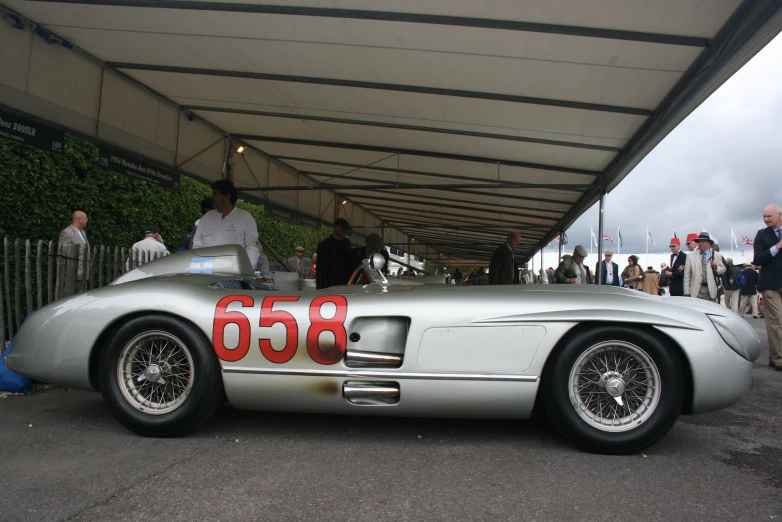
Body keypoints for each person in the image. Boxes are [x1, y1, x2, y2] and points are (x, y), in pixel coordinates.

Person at [193, 180, 261, 267]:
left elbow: (253, 247)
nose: (212, 197)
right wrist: (199, 268)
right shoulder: (206, 218)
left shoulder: (245, 218)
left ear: (227, 195)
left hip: (233, 273)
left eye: (216, 194)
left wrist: (246, 270)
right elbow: (197, 245)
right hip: (207, 272)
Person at [753, 204, 782, 370]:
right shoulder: (762, 235)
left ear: (780, 215)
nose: (766, 220)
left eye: (769, 216)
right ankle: (778, 358)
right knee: (776, 321)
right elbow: (758, 259)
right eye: (764, 217)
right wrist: (776, 247)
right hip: (771, 284)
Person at [316, 218, 359, 289]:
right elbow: (321, 269)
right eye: (344, 229)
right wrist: (321, 289)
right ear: (337, 228)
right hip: (330, 285)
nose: (346, 232)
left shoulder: (346, 243)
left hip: (346, 284)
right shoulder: (324, 245)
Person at [683, 232, 725, 302]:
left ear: (709, 243)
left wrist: (716, 267)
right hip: (695, 291)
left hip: (711, 291)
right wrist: (686, 292)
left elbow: (722, 270)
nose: (701, 244)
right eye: (699, 242)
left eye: (703, 241)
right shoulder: (690, 256)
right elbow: (687, 276)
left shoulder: (716, 255)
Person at [58, 210, 89, 290]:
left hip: (84, 273)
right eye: (85, 218)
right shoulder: (67, 233)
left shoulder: (83, 232)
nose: (87, 221)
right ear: (79, 219)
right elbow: (63, 254)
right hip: (72, 275)